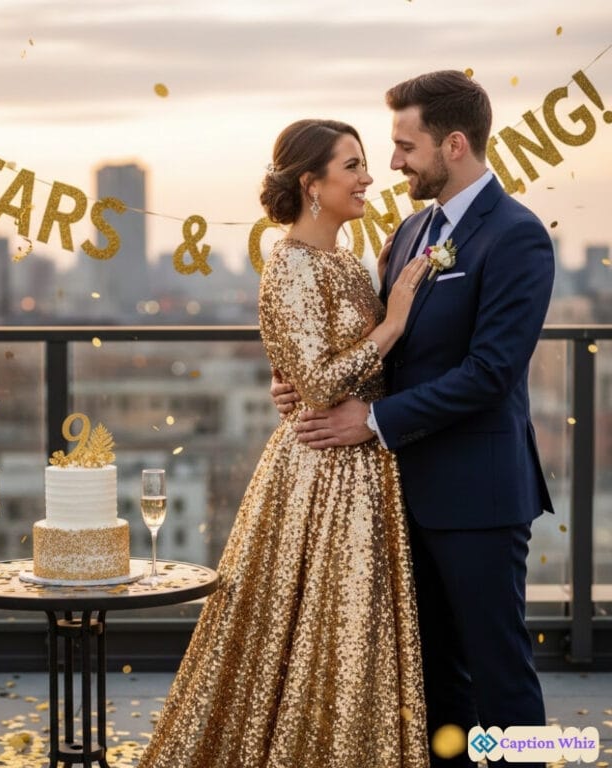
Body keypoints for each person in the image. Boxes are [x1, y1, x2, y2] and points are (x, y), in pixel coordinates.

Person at [272, 72, 555, 768]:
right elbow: (378, 349)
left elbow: (490, 374)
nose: (392, 163)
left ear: (453, 145)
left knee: (501, 679)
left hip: (478, 497)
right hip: (400, 500)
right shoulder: (408, 231)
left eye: (404, 145)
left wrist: (372, 419)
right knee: (432, 685)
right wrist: (305, 389)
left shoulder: (517, 236)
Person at [138, 119, 430, 768]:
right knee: (326, 633)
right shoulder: (290, 264)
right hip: (322, 470)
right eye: (352, 166)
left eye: (365, 164)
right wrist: (396, 322)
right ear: (311, 184)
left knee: (352, 637)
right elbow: (322, 386)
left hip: (364, 465)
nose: (368, 177)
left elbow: (320, 369)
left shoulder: (347, 260)